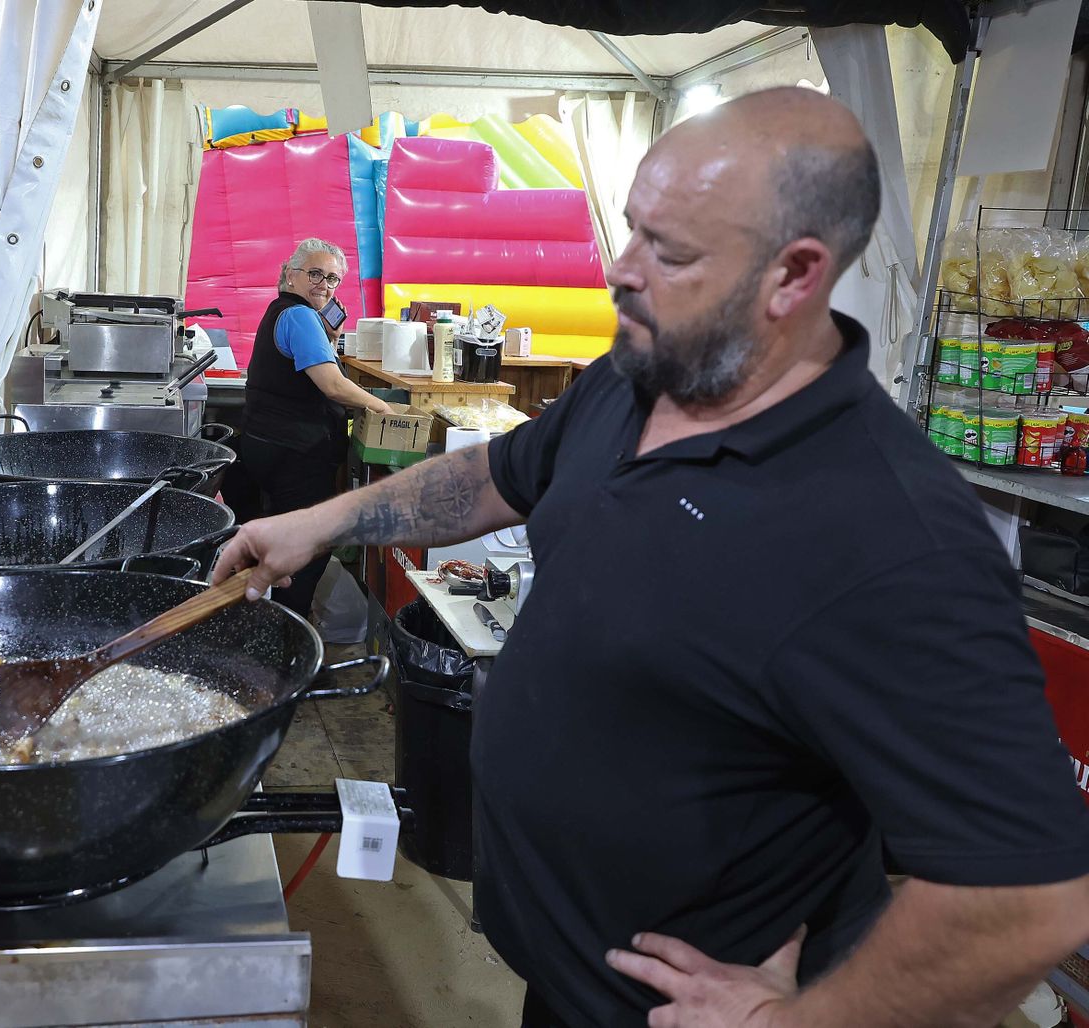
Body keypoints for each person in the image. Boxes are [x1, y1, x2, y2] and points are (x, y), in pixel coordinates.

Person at [214, 88, 1089, 1027]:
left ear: (794, 274)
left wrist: (794, 1021)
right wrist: (321, 522)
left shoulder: (892, 531)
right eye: (632, 229)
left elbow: (1028, 895)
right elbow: (495, 475)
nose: (620, 271)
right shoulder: (641, 379)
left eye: (667, 251)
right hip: (564, 970)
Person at [220, 238, 391, 618]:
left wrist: (331, 336)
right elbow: (332, 385)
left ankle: (271, 618)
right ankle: (285, 626)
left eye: (332, 279)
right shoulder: (299, 316)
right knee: (309, 548)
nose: (324, 285)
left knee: (288, 540)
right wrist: (382, 406)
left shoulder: (284, 312)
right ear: (289, 275)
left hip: (267, 445)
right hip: (294, 453)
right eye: (315, 274)